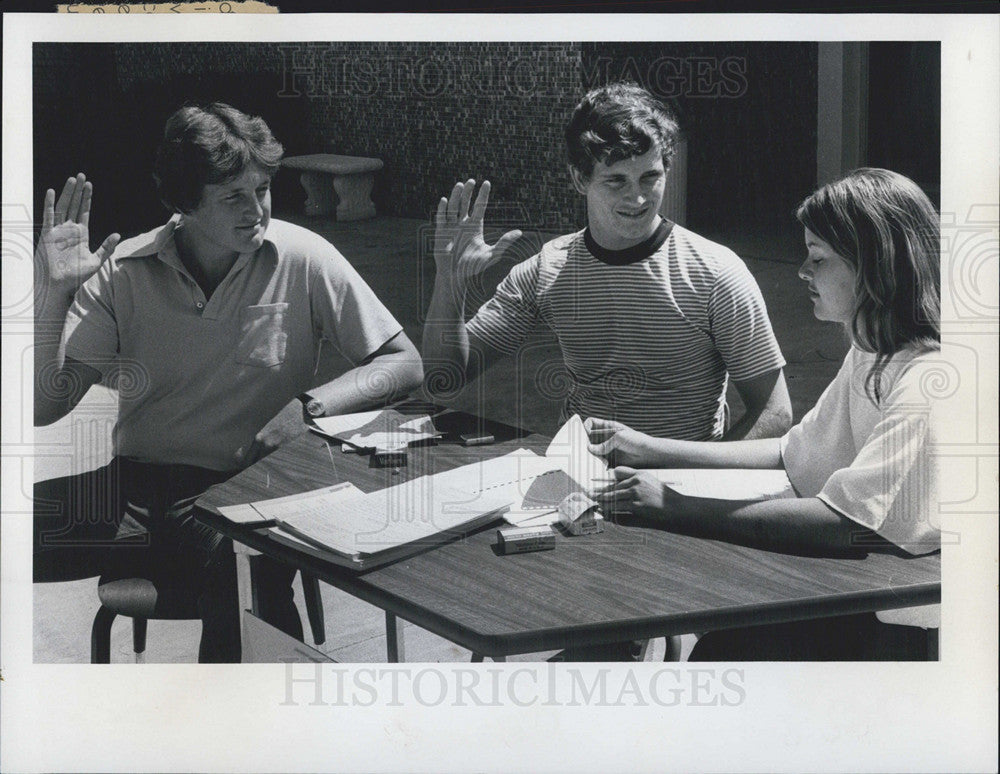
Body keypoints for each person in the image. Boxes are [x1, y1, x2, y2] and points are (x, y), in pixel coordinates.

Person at [33, 103, 423, 662]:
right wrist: (57, 294)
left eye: (262, 190)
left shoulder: (305, 257)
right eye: (233, 197)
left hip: (244, 494)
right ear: (183, 204)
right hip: (132, 491)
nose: (256, 211)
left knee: (242, 585)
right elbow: (45, 407)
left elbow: (403, 363)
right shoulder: (124, 270)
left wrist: (309, 407)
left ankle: (237, 731)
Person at [589, 168, 942, 660]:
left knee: (723, 654)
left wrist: (673, 506)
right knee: (717, 642)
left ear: (875, 268)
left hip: (894, 627)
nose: (801, 270)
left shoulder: (927, 382)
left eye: (817, 257)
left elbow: (846, 522)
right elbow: (792, 453)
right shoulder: (872, 351)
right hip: (861, 592)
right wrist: (650, 449)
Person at [423, 82, 792, 443]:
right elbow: (446, 378)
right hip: (581, 475)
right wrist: (450, 282)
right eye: (616, 180)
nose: (638, 197)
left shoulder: (715, 273)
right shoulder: (545, 271)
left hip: (679, 482)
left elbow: (774, 413)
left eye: (651, 177)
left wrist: (691, 483)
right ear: (579, 178)